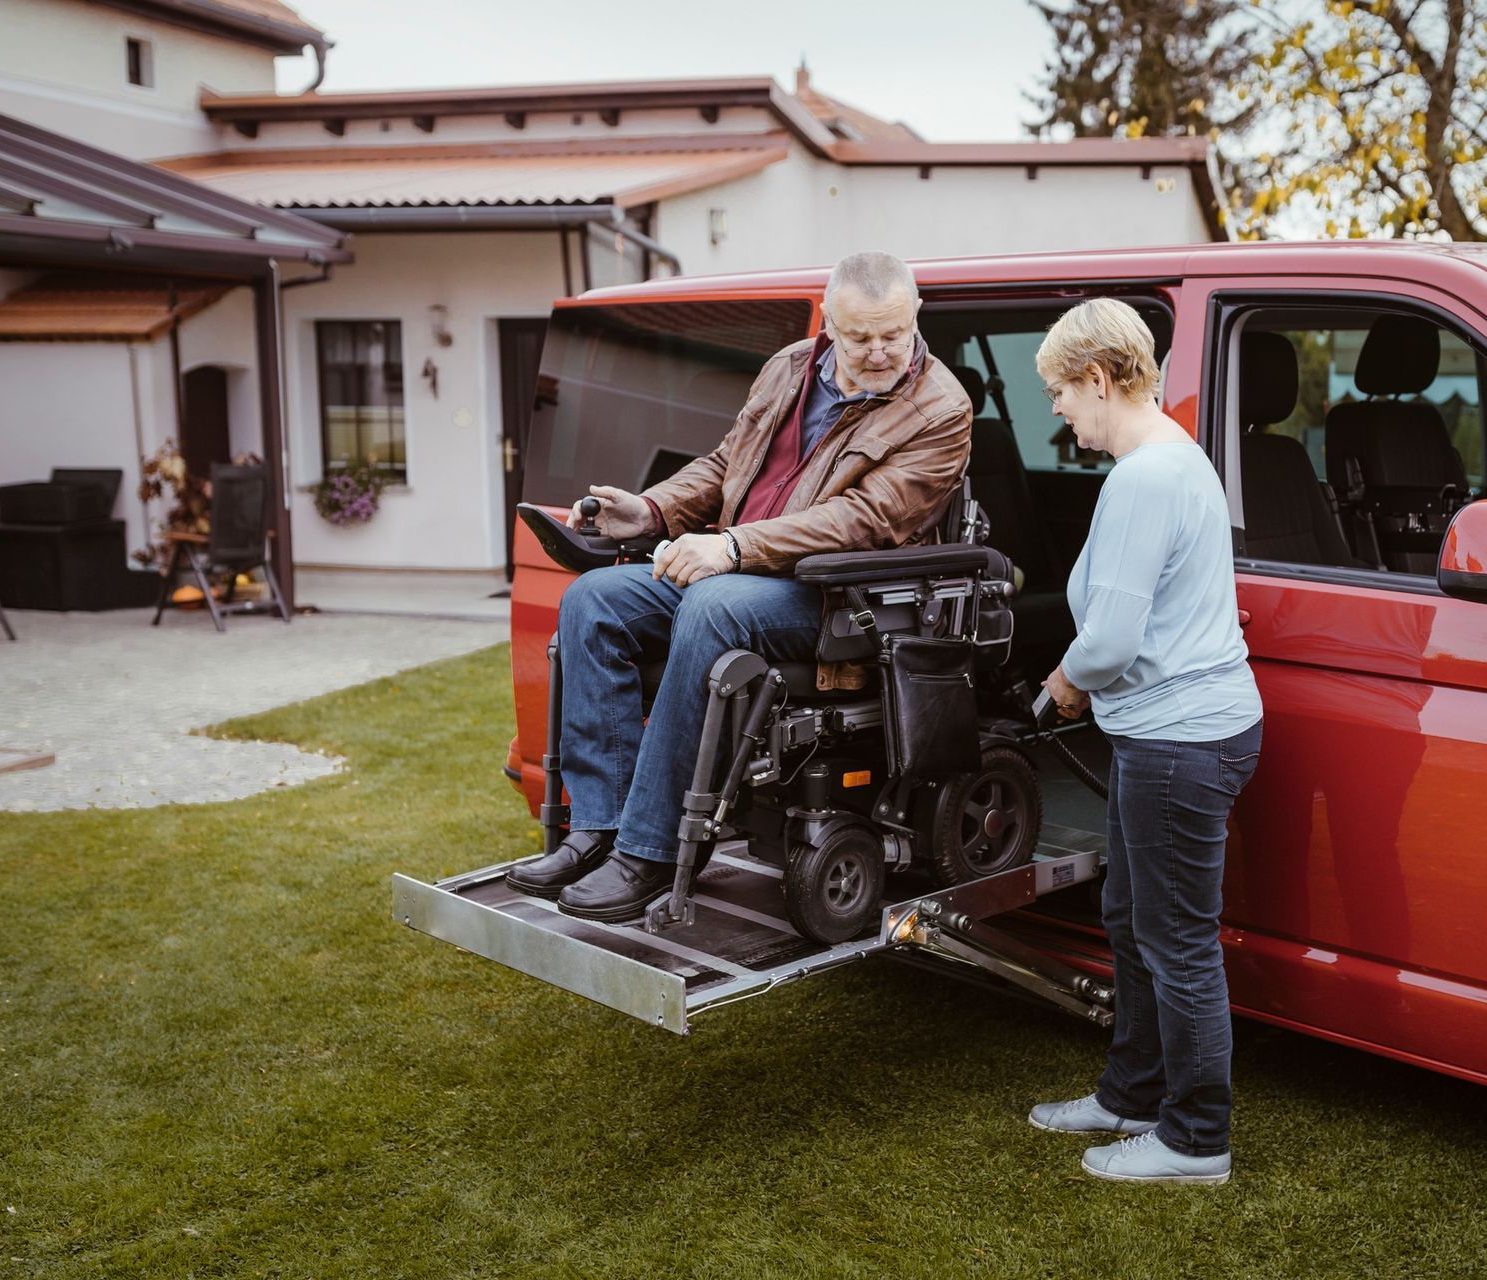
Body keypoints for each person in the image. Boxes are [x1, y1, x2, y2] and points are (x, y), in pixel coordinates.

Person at [505, 251, 972, 921]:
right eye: (859, 335)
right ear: (830, 324)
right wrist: (653, 511)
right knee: (592, 601)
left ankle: (652, 850)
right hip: (736, 566)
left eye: (892, 334)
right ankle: (599, 828)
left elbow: (865, 520)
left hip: (836, 599)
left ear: (915, 317)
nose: (877, 351)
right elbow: (728, 462)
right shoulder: (789, 366)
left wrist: (733, 545)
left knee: (711, 603)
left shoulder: (941, 409)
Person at [1024, 298, 1263, 1185]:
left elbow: (1115, 642)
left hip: (1178, 744)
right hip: (1173, 736)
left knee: (1175, 942)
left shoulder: (1144, 478)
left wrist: (1062, 683)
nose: (1056, 409)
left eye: (1059, 391)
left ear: (1097, 378)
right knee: (1132, 919)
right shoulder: (1174, 455)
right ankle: (1131, 1093)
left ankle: (1197, 1138)